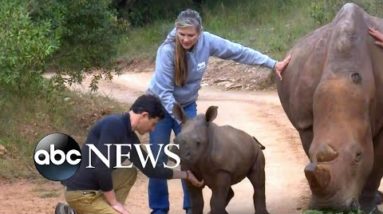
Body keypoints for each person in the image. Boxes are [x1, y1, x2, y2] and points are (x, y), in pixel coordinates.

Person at [146, 8, 291, 214]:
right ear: (176, 32)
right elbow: (164, 93)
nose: (186, 39)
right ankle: (159, 209)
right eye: (182, 35)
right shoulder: (167, 51)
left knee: (194, 157)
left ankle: (191, 208)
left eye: (191, 35)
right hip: (159, 106)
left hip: (187, 106)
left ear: (200, 33)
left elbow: (238, 51)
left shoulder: (208, 42)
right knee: (158, 158)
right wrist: (185, 124)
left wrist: (272, 64)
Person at [55, 94, 204, 214]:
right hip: (81, 193)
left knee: (128, 171)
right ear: (144, 115)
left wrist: (186, 175)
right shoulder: (113, 124)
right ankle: (85, 209)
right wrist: (115, 203)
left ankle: (75, 212)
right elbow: (101, 167)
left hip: (95, 189)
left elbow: (152, 170)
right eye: (153, 124)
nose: (153, 130)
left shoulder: (130, 137)